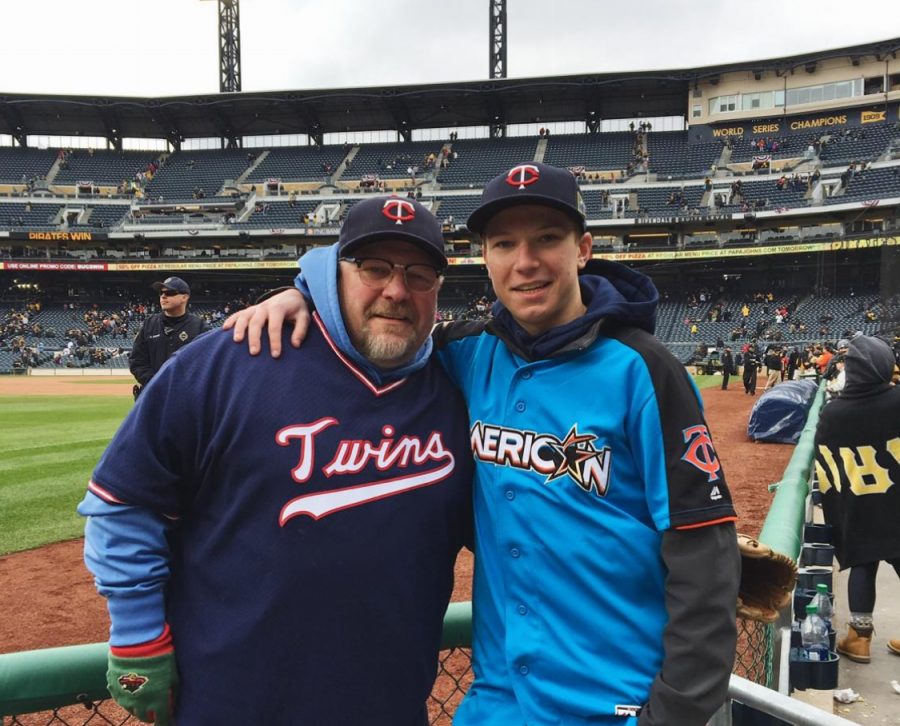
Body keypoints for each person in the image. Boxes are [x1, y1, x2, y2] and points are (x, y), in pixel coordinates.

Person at [227, 162, 741, 725]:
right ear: (486, 259)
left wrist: (672, 715)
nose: (526, 262)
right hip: (498, 698)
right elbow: (378, 320)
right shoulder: (465, 354)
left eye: (547, 238)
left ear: (583, 248)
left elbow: (705, 558)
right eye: (504, 243)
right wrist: (304, 293)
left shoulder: (644, 370)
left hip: (616, 701)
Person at [78, 197, 473, 725]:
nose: (396, 291)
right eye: (374, 268)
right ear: (335, 271)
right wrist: (136, 634)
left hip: (387, 706)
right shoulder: (226, 360)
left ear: (438, 290)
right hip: (227, 704)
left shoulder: (459, 389)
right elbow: (125, 501)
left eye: (419, 275)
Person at [814, 335, 900, 663]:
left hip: (859, 506)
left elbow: (825, 467)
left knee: (863, 565)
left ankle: (860, 639)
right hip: (896, 505)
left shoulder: (834, 413)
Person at [128, 276, 206, 400]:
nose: (163, 296)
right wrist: (157, 383)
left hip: (186, 399)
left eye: (169, 293)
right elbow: (136, 361)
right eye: (161, 293)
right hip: (152, 397)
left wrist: (179, 385)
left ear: (184, 297)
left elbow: (205, 365)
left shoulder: (199, 327)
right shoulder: (149, 324)